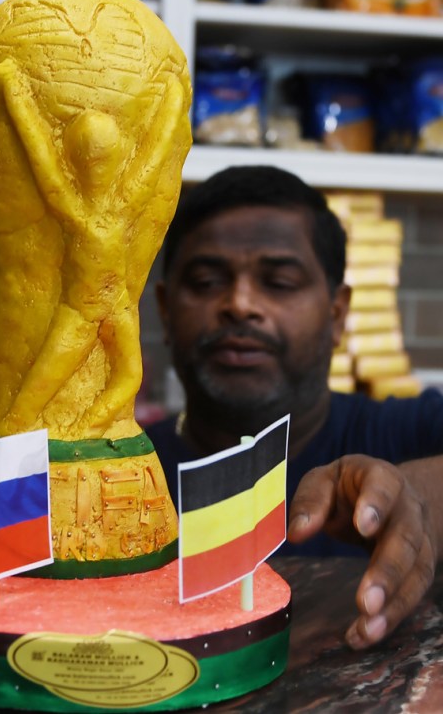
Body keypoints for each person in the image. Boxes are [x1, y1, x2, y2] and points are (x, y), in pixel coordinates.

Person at [145, 164, 443, 652]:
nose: (240, 304)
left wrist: (420, 501)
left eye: (279, 282)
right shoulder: (120, 474)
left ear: (337, 314)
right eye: (204, 281)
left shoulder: (402, 432)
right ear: (164, 308)